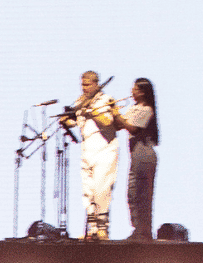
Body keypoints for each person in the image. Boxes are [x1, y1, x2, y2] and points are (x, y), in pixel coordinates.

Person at [67, 71, 122, 240]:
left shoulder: (106, 100)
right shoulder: (80, 101)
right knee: (88, 190)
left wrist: (92, 112)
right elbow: (73, 121)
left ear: (96, 84)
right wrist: (66, 120)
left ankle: (102, 228)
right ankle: (91, 229)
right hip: (87, 149)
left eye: (88, 85)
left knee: (102, 188)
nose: (84, 88)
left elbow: (109, 122)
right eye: (82, 85)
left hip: (105, 149)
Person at [116, 78, 158, 240]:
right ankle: (138, 228)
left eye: (134, 89)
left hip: (144, 154)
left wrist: (115, 113)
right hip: (135, 155)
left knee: (142, 194)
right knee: (133, 194)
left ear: (141, 92)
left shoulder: (146, 109)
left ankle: (144, 231)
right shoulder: (135, 108)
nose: (131, 92)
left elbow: (132, 128)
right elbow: (120, 125)